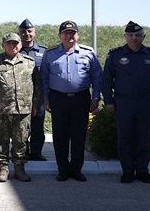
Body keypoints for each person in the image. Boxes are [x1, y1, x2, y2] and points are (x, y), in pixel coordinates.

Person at [102, 21, 150, 184]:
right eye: (130, 35)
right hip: (123, 102)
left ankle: (143, 171)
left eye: (138, 35)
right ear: (125, 36)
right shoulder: (115, 55)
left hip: (146, 102)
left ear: (143, 37)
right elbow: (106, 80)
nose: (134, 38)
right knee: (125, 138)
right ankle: (127, 171)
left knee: (143, 139)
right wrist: (108, 101)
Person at [41, 21, 102, 182]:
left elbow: (97, 77)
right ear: (60, 35)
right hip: (58, 98)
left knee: (79, 135)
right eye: (66, 33)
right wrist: (45, 98)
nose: (69, 36)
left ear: (78, 35)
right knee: (60, 135)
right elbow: (44, 78)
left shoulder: (88, 53)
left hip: (81, 99)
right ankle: (62, 169)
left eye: (72, 33)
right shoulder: (50, 53)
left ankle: (76, 169)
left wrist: (96, 97)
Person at [0, 33, 43, 182]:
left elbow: (38, 86)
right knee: (1, 141)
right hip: (0, 110)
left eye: (15, 43)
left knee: (21, 141)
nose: (12, 46)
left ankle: (20, 169)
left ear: (20, 45)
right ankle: (3, 168)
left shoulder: (29, 63)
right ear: (3, 45)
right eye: (9, 43)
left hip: (23, 109)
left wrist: (36, 104)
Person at [18, 18, 49, 161]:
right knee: (20, 127)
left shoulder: (44, 52)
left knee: (37, 126)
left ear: (34, 33)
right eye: (23, 32)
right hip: (19, 96)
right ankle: (22, 152)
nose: (27, 34)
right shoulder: (14, 50)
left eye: (29, 31)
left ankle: (36, 152)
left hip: (38, 96)